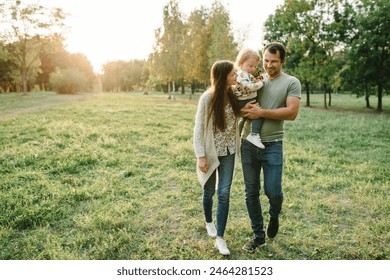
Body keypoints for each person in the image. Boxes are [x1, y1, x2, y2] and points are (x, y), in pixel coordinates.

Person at [240, 42, 301, 252]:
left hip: (273, 144)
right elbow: (238, 102)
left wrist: (262, 113)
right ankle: (258, 236)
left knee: (273, 191)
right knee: (251, 192)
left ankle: (274, 215)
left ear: (283, 60)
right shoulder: (254, 78)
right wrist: (243, 110)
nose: (268, 65)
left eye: (274, 61)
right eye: (266, 60)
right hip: (248, 143)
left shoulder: (291, 82)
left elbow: (292, 113)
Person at [193, 60, 240, 256]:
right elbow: (198, 128)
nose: (236, 77)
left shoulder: (235, 95)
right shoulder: (207, 98)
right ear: (222, 77)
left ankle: (220, 238)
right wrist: (201, 156)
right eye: (233, 74)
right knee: (209, 190)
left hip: (229, 151)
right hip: (211, 152)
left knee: (224, 193)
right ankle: (209, 222)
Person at [234, 48, 265, 149]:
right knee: (258, 114)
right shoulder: (241, 74)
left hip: (245, 100)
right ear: (241, 62)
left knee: (245, 118)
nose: (253, 68)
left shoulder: (246, 73)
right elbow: (250, 86)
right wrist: (260, 83)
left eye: (255, 66)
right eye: (250, 65)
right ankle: (254, 134)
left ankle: (236, 135)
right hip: (245, 100)